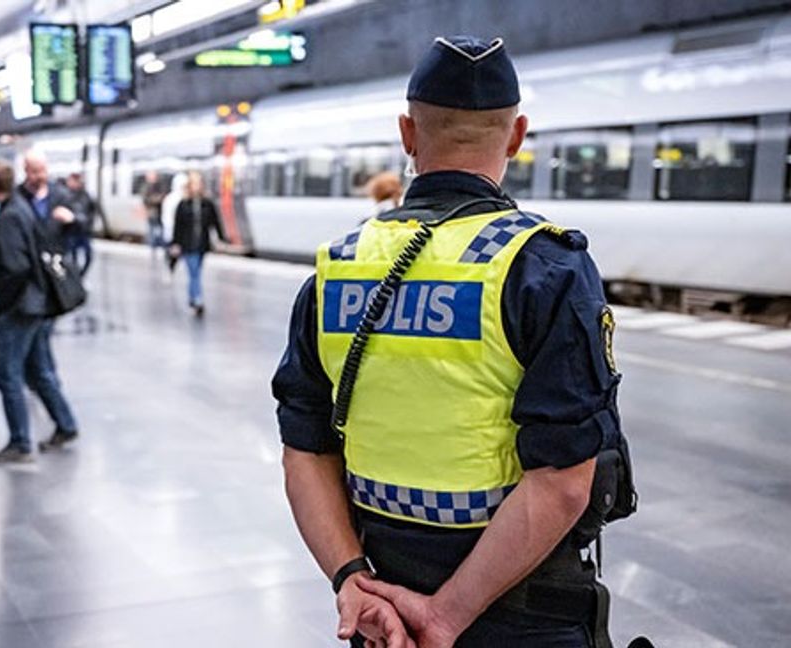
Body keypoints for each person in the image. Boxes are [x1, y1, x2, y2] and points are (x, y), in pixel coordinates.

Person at [272, 36, 636, 648]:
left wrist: (351, 579)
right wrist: (444, 616)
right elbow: (563, 480)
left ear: (407, 135)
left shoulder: (337, 270)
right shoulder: (542, 267)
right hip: (523, 614)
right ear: (517, 137)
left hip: (383, 608)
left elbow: (304, 452)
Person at [0, 159, 79, 465]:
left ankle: (21, 442)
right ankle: (66, 424)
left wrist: (3, 302)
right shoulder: (21, 207)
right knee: (38, 371)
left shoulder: (10, 216)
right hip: (37, 303)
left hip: (21, 307)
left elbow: (16, 267)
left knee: (7, 374)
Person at [169, 171, 227, 316]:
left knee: (196, 273)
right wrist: (175, 243)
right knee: (194, 273)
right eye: (195, 183)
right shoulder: (183, 204)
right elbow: (178, 226)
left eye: (199, 183)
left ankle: (192, 298)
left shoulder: (207, 204)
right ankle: (198, 299)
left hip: (201, 244)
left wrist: (221, 239)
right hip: (187, 245)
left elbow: (215, 222)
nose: (198, 186)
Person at [62, 172, 97, 277]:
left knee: (88, 256)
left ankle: (79, 277)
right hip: (71, 231)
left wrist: (88, 223)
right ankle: (75, 279)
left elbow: (92, 210)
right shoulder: (65, 195)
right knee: (72, 257)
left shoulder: (86, 195)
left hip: (84, 231)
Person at [141, 170, 167, 256]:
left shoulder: (160, 186)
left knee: (159, 230)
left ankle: (159, 247)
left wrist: (155, 199)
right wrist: (155, 199)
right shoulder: (146, 187)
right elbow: (145, 199)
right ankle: (153, 248)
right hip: (151, 213)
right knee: (152, 230)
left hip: (159, 213)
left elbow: (163, 197)